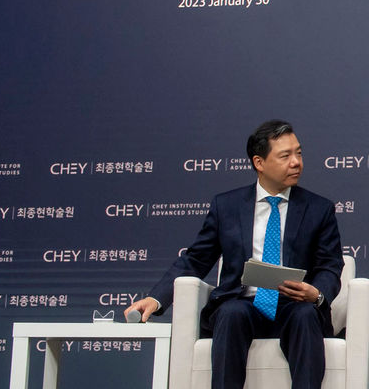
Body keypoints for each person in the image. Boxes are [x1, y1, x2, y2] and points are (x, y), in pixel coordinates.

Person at [126, 120, 344, 389]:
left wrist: (317, 293)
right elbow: (196, 259)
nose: (296, 162)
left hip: (294, 305)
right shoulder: (226, 206)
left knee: (305, 315)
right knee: (230, 314)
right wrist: (156, 298)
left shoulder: (318, 209)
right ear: (259, 162)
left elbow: (330, 265)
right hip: (242, 303)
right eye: (285, 156)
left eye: (298, 153)